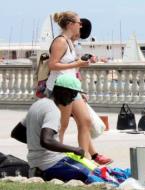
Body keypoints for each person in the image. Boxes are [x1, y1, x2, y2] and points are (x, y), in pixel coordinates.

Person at [46, 11, 112, 165]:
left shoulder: (68, 42)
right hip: (60, 87)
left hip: (71, 87)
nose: (81, 25)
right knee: (62, 125)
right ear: (70, 24)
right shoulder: (60, 41)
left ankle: (85, 158)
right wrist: (78, 64)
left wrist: (81, 61)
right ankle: (56, 159)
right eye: (78, 23)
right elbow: (53, 65)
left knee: (86, 121)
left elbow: (68, 65)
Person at [11, 74, 103, 183]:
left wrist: (35, 143)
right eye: (73, 94)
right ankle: (44, 174)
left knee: (92, 169)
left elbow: (16, 133)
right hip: (51, 164)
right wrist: (74, 149)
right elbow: (46, 140)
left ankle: (40, 172)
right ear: (63, 92)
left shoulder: (39, 104)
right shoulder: (53, 110)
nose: (73, 99)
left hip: (36, 162)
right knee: (95, 176)